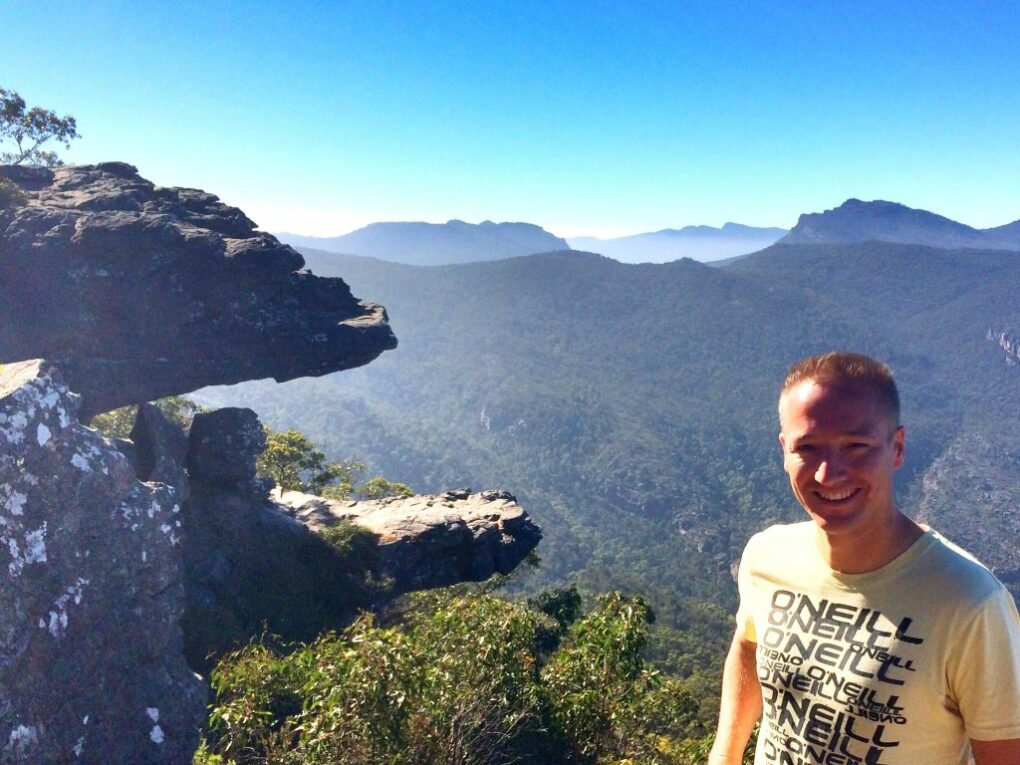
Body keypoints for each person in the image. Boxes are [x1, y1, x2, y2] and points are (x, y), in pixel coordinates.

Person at [709, 351, 1020, 765]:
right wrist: (724, 755)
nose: (828, 473)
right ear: (784, 451)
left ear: (897, 448)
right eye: (808, 448)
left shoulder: (969, 603)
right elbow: (749, 645)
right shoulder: (766, 556)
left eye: (856, 446)